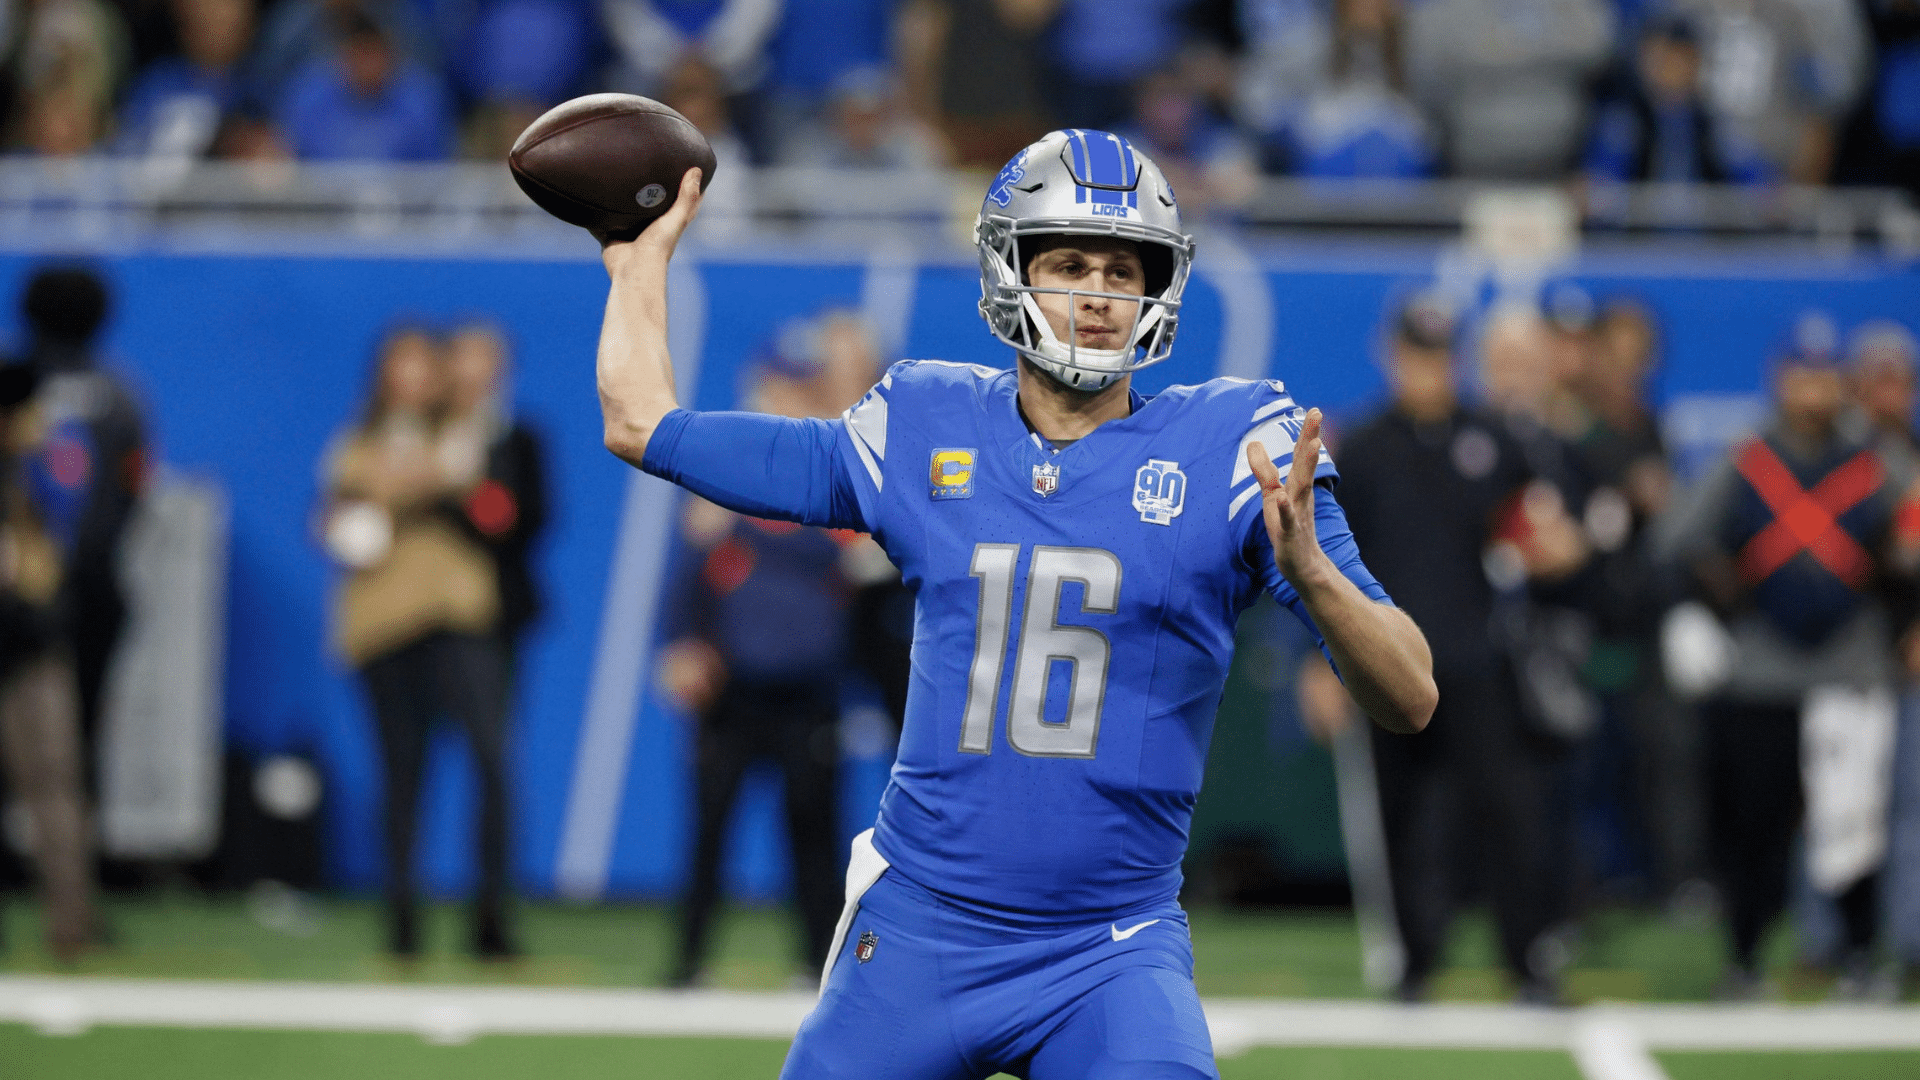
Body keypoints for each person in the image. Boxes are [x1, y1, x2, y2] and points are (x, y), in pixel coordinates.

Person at [594, 129, 1435, 1077]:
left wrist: (1316, 578)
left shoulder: (1235, 447)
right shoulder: (922, 422)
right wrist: (637, 263)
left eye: (1124, 268)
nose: (1099, 293)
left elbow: (1410, 695)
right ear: (1011, 269)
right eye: (1070, 261)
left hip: (1108, 950)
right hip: (922, 930)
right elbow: (643, 424)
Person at [1321, 295, 1586, 1003]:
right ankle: (1413, 964)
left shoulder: (1492, 438)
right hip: (1388, 662)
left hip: (1475, 657)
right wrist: (1322, 664)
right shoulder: (1367, 447)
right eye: (1416, 356)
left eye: (1439, 357)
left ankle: (1527, 961)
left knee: (1506, 814)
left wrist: (1554, 544)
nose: (1428, 371)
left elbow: (1544, 526)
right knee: (1401, 818)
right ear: (1392, 357)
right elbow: (1325, 569)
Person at [1655, 339, 1910, 998]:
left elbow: (1910, 536)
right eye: (1803, 377)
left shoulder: (1873, 461)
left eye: (1825, 378)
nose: (1814, 392)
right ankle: (1744, 960)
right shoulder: (1751, 460)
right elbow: (1676, 538)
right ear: (1781, 380)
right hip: (1762, 666)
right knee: (1752, 829)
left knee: (1854, 828)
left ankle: (1858, 958)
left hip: (1852, 667)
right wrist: (1707, 596)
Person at [655, 332, 861, 988]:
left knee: (815, 831)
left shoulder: (838, 474)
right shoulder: (723, 476)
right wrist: (680, 644)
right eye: (777, 384)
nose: (784, 397)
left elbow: (858, 563)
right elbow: (687, 576)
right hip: (734, 683)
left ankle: (818, 963)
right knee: (710, 827)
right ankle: (688, 961)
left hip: (809, 682)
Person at [321, 325, 515, 959]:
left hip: (459, 621)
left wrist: (400, 490)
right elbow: (339, 527)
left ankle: (490, 927)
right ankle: (402, 929)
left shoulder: (465, 435)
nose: (412, 381)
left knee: (490, 766)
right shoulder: (356, 445)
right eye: (398, 368)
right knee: (401, 777)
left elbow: (485, 501)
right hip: (382, 629)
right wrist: (419, 485)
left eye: (422, 367)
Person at [15, 267, 147, 793]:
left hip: (19, 588)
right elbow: (134, 483)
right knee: (83, 725)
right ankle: (73, 850)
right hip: (93, 584)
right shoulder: (120, 395)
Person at [0, 360, 96, 963]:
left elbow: (74, 496)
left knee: (54, 779)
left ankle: (72, 922)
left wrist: (36, 450)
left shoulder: (53, 452)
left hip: (32, 641)